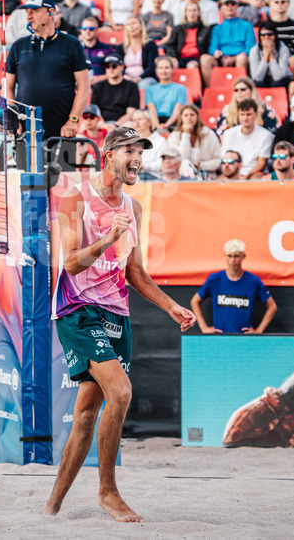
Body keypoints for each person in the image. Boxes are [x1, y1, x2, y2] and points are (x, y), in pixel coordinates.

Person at [45, 126, 195, 523]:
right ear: (108, 154)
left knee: (85, 415)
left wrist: (170, 306)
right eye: (130, 151)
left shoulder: (133, 207)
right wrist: (108, 238)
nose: (138, 159)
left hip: (117, 313)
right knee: (122, 392)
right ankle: (108, 491)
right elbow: (71, 263)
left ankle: (52, 505)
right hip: (78, 309)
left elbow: (135, 272)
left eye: (141, 152)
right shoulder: (76, 198)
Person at [4, 0, 90, 139]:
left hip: (62, 132)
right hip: (24, 132)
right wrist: (13, 119)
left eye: (34, 11)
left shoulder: (72, 44)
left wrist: (72, 120)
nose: (29, 16)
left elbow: (84, 87)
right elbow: (7, 86)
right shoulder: (18, 46)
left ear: (50, 12)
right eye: (27, 12)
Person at [202, 0, 253, 84]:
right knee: (205, 59)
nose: (230, 6)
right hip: (222, 58)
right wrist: (216, 52)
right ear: (221, 7)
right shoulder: (217, 28)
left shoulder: (247, 26)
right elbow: (212, 47)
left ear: (237, 6)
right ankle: (211, 89)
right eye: (226, 4)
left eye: (232, 4)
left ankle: (240, 87)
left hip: (240, 57)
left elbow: (251, 47)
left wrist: (234, 58)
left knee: (241, 58)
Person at [221, 98, 272, 178]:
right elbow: (225, 159)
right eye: (242, 114)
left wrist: (247, 176)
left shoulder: (266, 135)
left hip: (255, 174)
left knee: (257, 178)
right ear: (238, 115)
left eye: (248, 114)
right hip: (233, 172)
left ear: (256, 115)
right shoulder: (228, 134)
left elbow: (261, 163)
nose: (245, 118)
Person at [166, 103, 221, 177]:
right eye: (186, 115)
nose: (189, 118)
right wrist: (186, 134)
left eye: (192, 115)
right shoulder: (174, 136)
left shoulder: (209, 134)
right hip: (182, 175)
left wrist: (201, 165)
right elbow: (182, 159)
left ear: (197, 117)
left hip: (207, 176)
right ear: (181, 118)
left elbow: (218, 160)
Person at [91, 54, 140, 127]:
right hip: (102, 123)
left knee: (130, 125)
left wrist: (116, 125)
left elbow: (131, 113)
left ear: (122, 67)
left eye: (114, 66)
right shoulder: (98, 86)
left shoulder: (131, 86)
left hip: (122, 123)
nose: (111, 69)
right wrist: (104, 125)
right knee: (84, 125)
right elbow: (94, 111)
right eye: (108, 66)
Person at [165, 1, 211, 76]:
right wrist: (173, 57)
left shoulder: (205, 29)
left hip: (197, 59)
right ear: (186, 13)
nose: (192, 13)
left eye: (194, 10)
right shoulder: (178, 29)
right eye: (189, 10)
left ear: (199, 13)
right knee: (173, 64)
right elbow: (170, 45)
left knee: (191, 66)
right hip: (180, 58)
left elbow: (208, 46)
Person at [262, 0, 294, 73]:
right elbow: (262, 45)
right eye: (276, 2)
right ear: (272, 4)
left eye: (283, 2)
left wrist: (282, 57)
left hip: (288, 58)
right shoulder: (265, 25)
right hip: (269, 56)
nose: (280, 4)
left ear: (288, 4)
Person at [142, 56, 187, 129]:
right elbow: (152, 110)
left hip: (173, 124)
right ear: (156, 70)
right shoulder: (149, 89)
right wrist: (157, 126)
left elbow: (177, 111)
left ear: (172, 70)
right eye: (160, 68)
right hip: (154, 123)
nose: (163, 71)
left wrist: (166, 126)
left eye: (167, 68)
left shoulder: (181, 88)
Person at [118, 15, 158, 81]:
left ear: (141, 26)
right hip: (126, 79)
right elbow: (118, 66)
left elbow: (151, 67)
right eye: (128, 25)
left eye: (134, 23)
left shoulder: (150, 45)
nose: (131, 26)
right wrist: (125, 76)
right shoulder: (121, 47)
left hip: (146, 78)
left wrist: (139, 78)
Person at [129, 109, 166, 178]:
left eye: (140, 119)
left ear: (149, 122)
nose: (137, 122)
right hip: (134, 174)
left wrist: (144, 166)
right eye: (134, 120)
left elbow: (161, 164)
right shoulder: (130, 141)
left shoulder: (160, 141)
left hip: (154, 175)